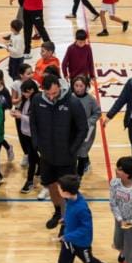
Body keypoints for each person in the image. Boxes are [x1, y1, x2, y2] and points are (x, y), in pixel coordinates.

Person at [42, 174, 117, 263]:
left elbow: (85, 228)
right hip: (69, 241)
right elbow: (71, 215)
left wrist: (67, 236)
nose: (57, 190)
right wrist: (65, 219)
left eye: (59, 189)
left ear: (66, 192)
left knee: (89, 262)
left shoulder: (82, 208)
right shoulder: (70, 200)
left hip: (81, 243)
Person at [31, 73, 88, 230]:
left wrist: (73, 149)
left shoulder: (73, 102)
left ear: (59, 87)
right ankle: (58, 212)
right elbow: (33, 123)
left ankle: (67, 219)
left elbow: (83, 129)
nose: (51, 97)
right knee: (50, 185)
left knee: (68, 191)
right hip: (47, 155)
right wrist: (36, 143)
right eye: (48, 93)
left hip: (66, 157)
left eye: (54, 93)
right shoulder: (37, 100)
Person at [13, 77, 40, 192]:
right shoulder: (26, 100)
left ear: (31, 90)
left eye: (24, 92)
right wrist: (17, 113)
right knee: (32, 155)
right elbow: (24, 113)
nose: (22, 94)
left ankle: (29, 181)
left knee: (32, 158)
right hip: (25, 132)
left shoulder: (37, 102)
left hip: (33, 134)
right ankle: (42, 168)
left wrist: (21, 116)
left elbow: (35, 120)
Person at [71, 75, 100, 177]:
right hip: (73, 130)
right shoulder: (70, 98)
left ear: (86, 86)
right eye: (76, 85)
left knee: (83, 151)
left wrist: (88, 122)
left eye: (81, 86)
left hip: (87, 131)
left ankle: (79, 174)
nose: (78, 88)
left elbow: (97, 113)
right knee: (73, 151)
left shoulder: (91, 100)